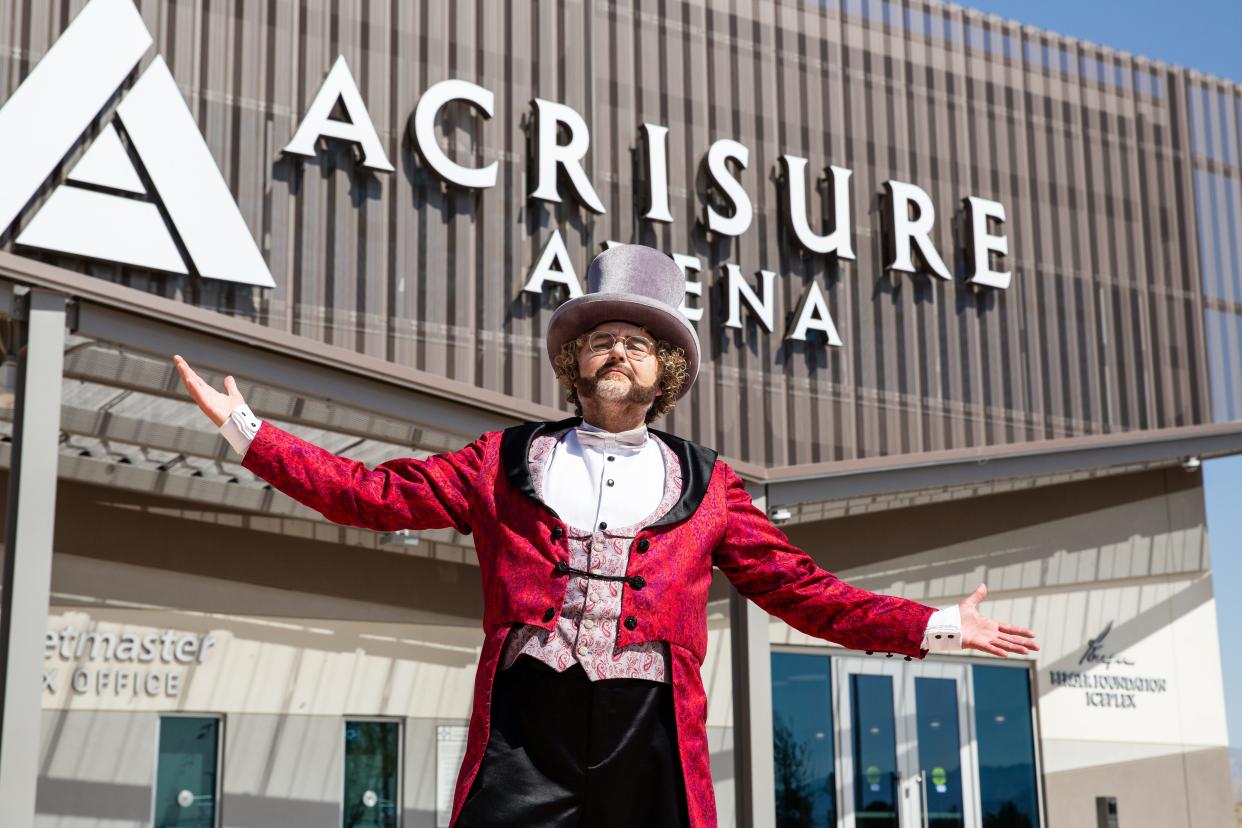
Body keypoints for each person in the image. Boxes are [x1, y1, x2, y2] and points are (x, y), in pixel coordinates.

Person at [173, 244, 1038, 827]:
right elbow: (370, 494)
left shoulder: (710, 483)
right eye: (600, 339)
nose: (617, 351)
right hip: (525, 728)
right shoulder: (501, 460)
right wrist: (251, 433)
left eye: (638, 341)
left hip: (651, 732)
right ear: (573, 362)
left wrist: (937, 625)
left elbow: (802, 592)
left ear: (668, 371)